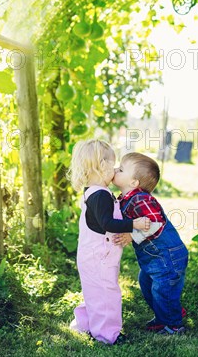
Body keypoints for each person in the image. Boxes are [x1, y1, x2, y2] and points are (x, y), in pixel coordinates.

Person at [68, 139, 151, 345]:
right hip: (100, 257)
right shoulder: (101, 195)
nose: (115, 170)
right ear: (101, 166)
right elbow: (108, 223)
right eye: (113, 165)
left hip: (90, 255)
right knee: (107, 294)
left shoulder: (92, 191)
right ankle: (108, 335)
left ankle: (85, 324)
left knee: (94, 292)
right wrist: (135, 224)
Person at [112, 152, 188, 335]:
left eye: (121, 169)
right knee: (145, 281)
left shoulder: (140, 199)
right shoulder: (127, 198)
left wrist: (131, 236)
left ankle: (174, 324)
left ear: (134, 183)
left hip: (167, 255)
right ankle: (166, 314)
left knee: (163, 287)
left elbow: (156, 222)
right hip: (155, 257)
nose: (115, 170)